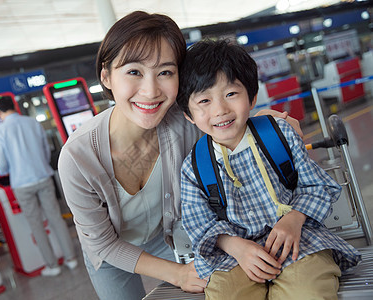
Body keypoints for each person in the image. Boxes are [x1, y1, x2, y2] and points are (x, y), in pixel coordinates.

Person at [58, 11, 304, 300]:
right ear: (106, 76)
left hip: (173, 235)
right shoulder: (78, 158)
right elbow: (102, 244)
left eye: (165, 72)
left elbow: (222, 121)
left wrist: (265, 121)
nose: (150, 92)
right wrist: (176, 274)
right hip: (112, 250)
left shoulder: (182, 121)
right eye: (134, 72)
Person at [176, 39, 361, 299]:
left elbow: (317, 185)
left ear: (252, 97)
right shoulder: (195, 166)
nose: (220, 110)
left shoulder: (278, 135)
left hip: (298, 241)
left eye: (231, 94)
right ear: (188, 114)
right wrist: (235, 246)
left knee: (308, 292)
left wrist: (294, 219)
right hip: (235, 257)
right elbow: (200, 225)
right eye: (204, 100)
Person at [0, 96, 78, 277]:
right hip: (43, 176)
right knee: (55, 218)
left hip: (22, 183)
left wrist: (5, 170)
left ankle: (52, 265)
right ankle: (71, 259)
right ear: (14, 106)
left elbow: (2, 164)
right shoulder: (33, 123)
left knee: (36, 225)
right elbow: (46, 150)